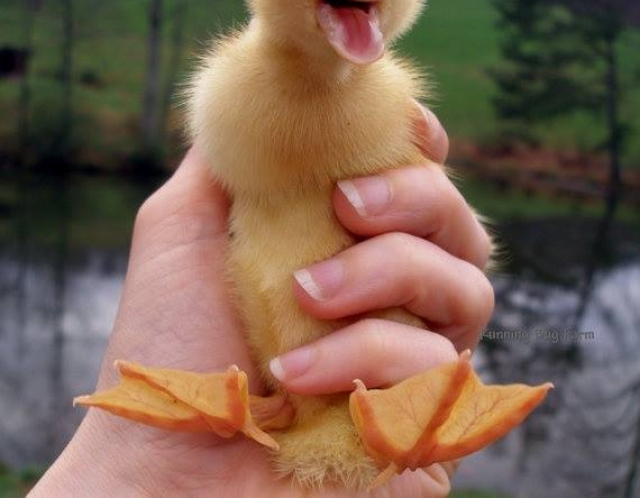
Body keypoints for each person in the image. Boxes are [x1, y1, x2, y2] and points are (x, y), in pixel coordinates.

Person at [30, 106, 493, 497]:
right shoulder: (253, 109)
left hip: (343, 428)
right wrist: (142, 474)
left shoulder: (349, 107)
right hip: (287, 418)